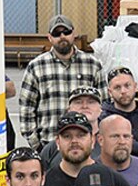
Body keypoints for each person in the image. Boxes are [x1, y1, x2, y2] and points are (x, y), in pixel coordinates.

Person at [17, 15, 104, 147]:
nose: (62, 36)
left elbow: (105, 104)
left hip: (86, 144)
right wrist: (37, 146)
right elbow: (26, 108)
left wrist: (97, 142)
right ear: (49, 37)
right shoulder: (36, 67)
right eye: (57, 33)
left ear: (74, 33)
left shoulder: (93, 65)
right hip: (49, 142)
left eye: (66, 32)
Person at [38, 111, 97, 186]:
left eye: (81, 135)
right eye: (67, 136)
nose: (74, 141)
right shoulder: (43, 185)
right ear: (57, 142)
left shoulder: (110, 179)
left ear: (93, 140)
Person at [94, 115, 138, 186]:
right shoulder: (90, 172)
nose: (122, 142)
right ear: (100, 140)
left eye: (126, 136)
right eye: (115, 136)